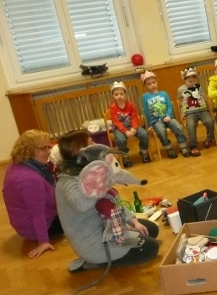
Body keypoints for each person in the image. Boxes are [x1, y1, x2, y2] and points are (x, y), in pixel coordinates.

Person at [55, 133, 159, 272]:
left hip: (107, 228)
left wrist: (133, 221)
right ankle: (95, 263)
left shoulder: (88, 171)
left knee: (151, 229)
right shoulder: (67, 181)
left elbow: (112, 202)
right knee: (151, 248)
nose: (95, 146)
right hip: (94, 242)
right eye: (91, 143)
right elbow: (80, 204)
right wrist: (99, 184)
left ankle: (125, 242)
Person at [3, 130, 63, 257]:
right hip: (38, 227)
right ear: (29, 150)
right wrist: (43, 241)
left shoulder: (17, 165)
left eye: (49, 147)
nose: (48, 151)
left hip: (23, 223)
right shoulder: (30, 179)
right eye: (43, 148)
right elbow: (37, 213)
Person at [141, 70, 190, 158]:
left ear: (157, 82)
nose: (152, 85)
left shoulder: (164, 94)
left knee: (178, 127)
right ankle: (169, 148)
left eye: (154, 82)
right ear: (145, 86)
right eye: (149, 84)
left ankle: (183, 147)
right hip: (156, 121)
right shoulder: (145, 97)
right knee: (160, 131)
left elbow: (169, 106)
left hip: (168, 117)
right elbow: (146, 111)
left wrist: (168, 115)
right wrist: (149, 124)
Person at [109, 81, 151, 166]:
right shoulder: (113, 107)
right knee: (120, 139)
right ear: (112, 96)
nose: (119, 96)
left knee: (144, 134)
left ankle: (143, 151)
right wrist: (125, 131)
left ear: (125, 94)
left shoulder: (130, 105)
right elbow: (116, 122)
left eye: (121, 94)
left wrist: (134, 128)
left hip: (132, 126)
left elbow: (135, 117)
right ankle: (125, 155)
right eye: (116, 94)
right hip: (119, 129)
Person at [177, 67, 215, 156]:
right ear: (184, 79)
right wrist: (182, 113)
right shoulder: (181, 89)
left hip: (202, 109)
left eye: (193, 81)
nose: (192, 83)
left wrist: (207, 104)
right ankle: (193, 146)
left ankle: (209, 139)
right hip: (190, 112)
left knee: (210, 121)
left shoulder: (198, 87)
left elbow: (203, 97)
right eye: (189, 81)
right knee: (190, 125)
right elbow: (181, 102)